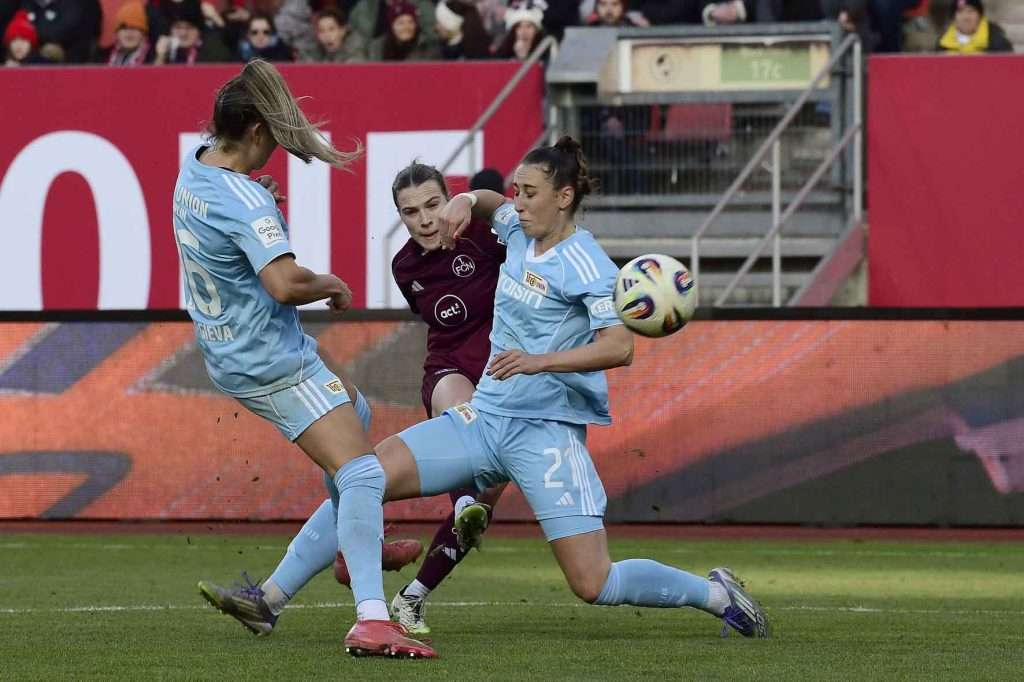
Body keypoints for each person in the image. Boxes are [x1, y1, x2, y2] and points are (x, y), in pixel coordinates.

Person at [364, 137, 769, 652]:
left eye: (529, 192)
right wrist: (470, 198)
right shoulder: (517, 230)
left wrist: (539, 362)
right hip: (486, 417)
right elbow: (493, 206)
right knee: (364, 474)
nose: (518, 201)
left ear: (563, 197)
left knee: (593, 583)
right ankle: (352, 604)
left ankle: (714, 594)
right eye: (516, 190)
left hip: (545, 434)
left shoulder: (588, 265)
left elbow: (620, 348)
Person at [179, 59, 434, 658]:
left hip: (233, 348)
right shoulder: (246, 202)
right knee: (364, 473)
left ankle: (271, 598)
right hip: (268, 357)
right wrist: (331, 283)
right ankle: (373, 618)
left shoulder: (197, 166)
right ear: (259, 134)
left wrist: (254, 199)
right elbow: (285, 284)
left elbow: (228, 227)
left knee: (359, 413)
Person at [375, 163, 509, 635]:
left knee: (483, 500)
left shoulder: (483, 233)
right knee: (466, 421)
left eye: (432, 204)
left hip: (508, 380)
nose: (425, 219)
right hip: (450, 370)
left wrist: (473, 199)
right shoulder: (405, 266)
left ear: (448, 199)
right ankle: (462, 502)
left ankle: (413, 597)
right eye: (410, 212)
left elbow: (508, 209)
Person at [368, 0, 441, 61]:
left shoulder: (428, 49)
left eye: (411, 22)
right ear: (391, 27)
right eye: (400, 23)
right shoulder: (377, 48)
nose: (406, 27)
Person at [936, 0, 1012, 54]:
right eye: (960, 12)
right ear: (953, 17)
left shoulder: (998, 42)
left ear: (980, 16)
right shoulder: (942, 44)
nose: (966, 17)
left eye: (970, 11)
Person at [301, 7, 367, 63]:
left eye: (331, 29)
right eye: (321, 31)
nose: (326, 35)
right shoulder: (312, 51)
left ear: (342, 31)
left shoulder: (356, 52)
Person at [98, 2, 154, 66]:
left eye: (134, 27)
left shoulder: (152, 58)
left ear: (143, 34)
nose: (129, 32)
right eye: (124, 28)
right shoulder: (103, 57)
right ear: (117, 33)